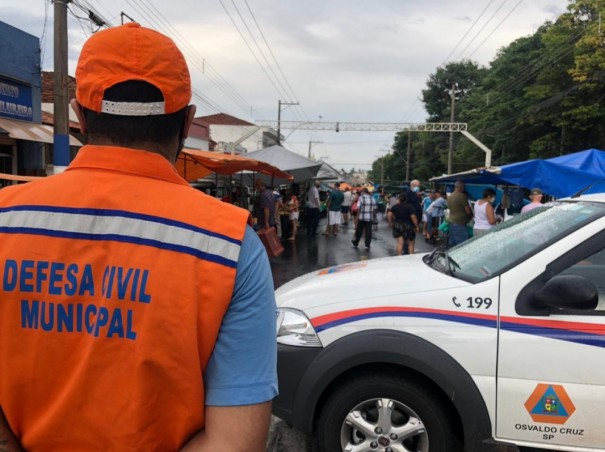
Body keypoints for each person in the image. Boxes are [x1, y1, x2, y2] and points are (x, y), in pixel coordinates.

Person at [0, 23, 277, 451]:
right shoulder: (230, 245)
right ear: (187, 121)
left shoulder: (6, 219)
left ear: (77, 113)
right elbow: (234, 444)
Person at [447, 180, 473, 246]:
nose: (464, 188)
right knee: (462, 244)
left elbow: (449, 209)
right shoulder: (462, 196)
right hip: (459, 223)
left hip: (451, 221)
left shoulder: (450, 196)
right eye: (463, 187)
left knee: (452, 243)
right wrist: (471, 215)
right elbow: (468, 211)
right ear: (460, 187)